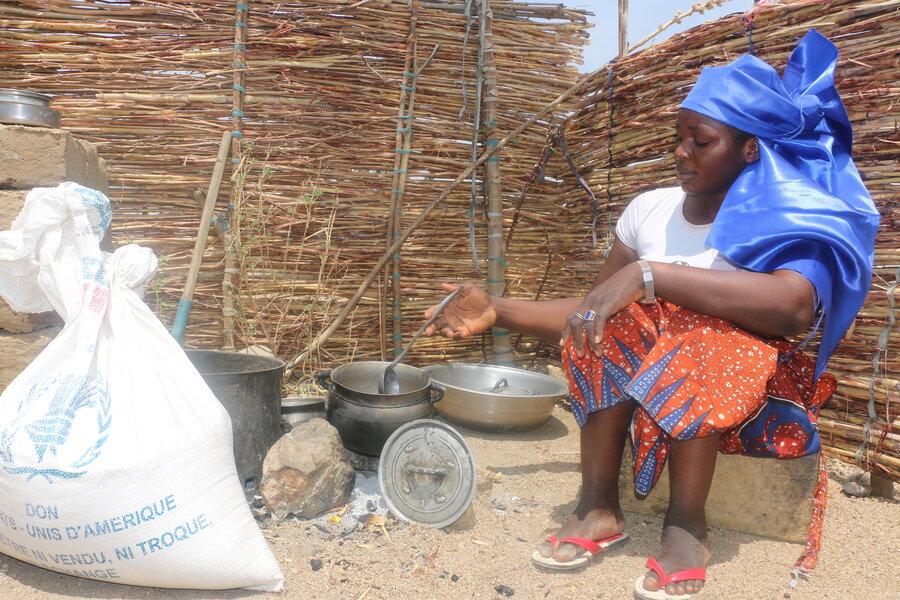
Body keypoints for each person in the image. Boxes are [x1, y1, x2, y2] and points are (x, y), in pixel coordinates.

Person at [422, 29, 878, 599]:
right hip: (654, 376)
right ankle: (597, 507)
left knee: (698, 331)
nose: (681, 152)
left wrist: (653, 277)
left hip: (749, 385)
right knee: (611, 325)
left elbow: (791, 309)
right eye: (678, 137)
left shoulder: (788, 218)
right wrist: (497, 310)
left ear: (749, 150)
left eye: (700, 141)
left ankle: (687, 525)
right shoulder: (651, 209)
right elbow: (595, 308)